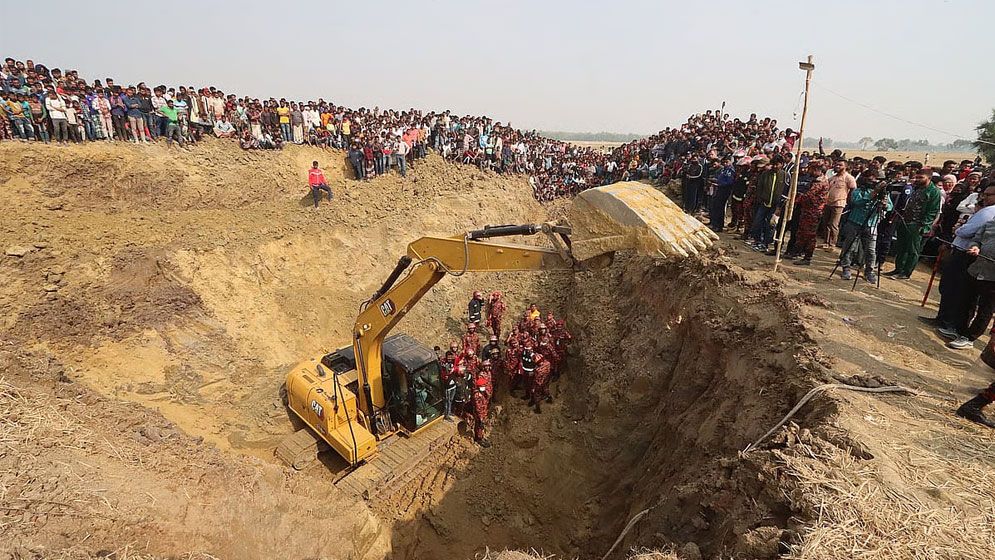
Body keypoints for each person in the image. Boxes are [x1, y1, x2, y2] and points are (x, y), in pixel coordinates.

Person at [929, 186, 995, 337]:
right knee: (949, 287)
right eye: (983, 194)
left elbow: (968, 231)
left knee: (955, 290)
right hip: (964, 250)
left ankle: (950, 324)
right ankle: (943, 320)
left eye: (988, 195)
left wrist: (958, 229)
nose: (984, 197)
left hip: (966, 255)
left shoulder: (989, 211)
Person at [886, 169, 942, 280]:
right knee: (901, 247)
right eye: (917, 177)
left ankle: (906, 273)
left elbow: (932, 211)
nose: (917, 179)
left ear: (929, 178)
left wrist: (924, 225)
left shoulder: (934, 192)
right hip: (905, 221)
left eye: (921, 177)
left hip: (917, 224)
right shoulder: (917, 188)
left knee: (912, 250)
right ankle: (898, 269)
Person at [838, 176, 892, 283]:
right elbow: (856, 202)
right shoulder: (859, 191)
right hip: (855, 222)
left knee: (871, 250)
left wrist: (884, 204)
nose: (872, 182)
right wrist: (873, 193)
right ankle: (846, 267)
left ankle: (869, 271)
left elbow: (890, 207)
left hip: (872, 224)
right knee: (849, 247)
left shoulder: (884, 194)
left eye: (874, 180)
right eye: (869, 180)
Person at [748, 156, 786, 252]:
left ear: (781, 164)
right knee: (758, 222)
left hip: (775, 205)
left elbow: (786, 190)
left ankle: (766, 243)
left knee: (770, 224)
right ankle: (757, 241)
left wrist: (780, 205)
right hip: (764, 203)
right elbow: (759, 188)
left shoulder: (785, 175)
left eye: (776, 164)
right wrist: (761, 199)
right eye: (773, 164)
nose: (774, 166)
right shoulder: (765, 174)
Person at [822, 160, 857, 248]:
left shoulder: (848, 178)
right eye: (837, 164)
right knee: (825, 223)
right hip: (828, 202)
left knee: (834, 224)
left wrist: (849, 202)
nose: (837, 166)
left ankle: (832, 243)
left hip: (839, 203)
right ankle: (826, 242)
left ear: (845, 167)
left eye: (840, 165)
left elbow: (853, 189)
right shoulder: (833, 178)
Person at [472, 361, 493, 446]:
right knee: (479, 424)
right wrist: (481, 417)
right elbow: (478, 407)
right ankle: (479, 438)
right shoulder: (478, 395)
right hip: (480, 412)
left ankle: (481, 436)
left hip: (484, 408)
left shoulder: (482, 393)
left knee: (481, 424)